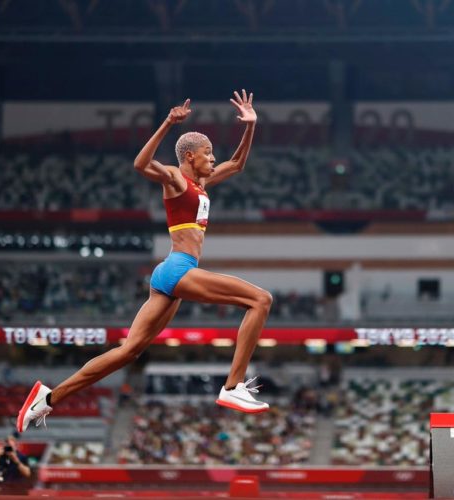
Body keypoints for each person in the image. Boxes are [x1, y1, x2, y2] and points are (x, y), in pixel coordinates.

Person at [17, 91, 273, 433]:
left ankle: (47, 400)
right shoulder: (175, 178)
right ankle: (232, 387)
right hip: (178, 268)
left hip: (170, 276)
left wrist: (251, 126)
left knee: (128, 351)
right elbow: (140, 165)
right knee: (260, 299)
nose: (214, 159)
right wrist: (168, 122)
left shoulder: (202, 182)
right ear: (190, 156)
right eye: (208, 154)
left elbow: (238, 164)